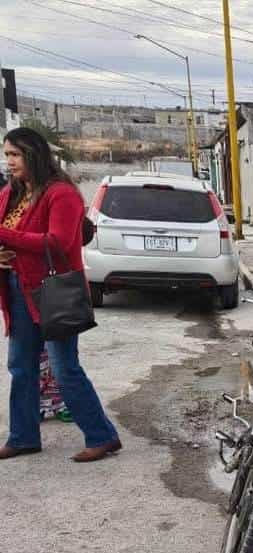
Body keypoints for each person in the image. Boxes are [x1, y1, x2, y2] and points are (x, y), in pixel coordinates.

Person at [0, 127, 120, 462]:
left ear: (33, 155)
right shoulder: (10, 194)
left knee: (63, 366)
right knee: (20, 366)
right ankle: (23, 437)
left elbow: (58, 242)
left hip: (53, 291)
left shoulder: (60, 193)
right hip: (18, 287)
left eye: (14, 154)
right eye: (6, 154)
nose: (8, 161)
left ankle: (102, 436)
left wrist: (6, 236)